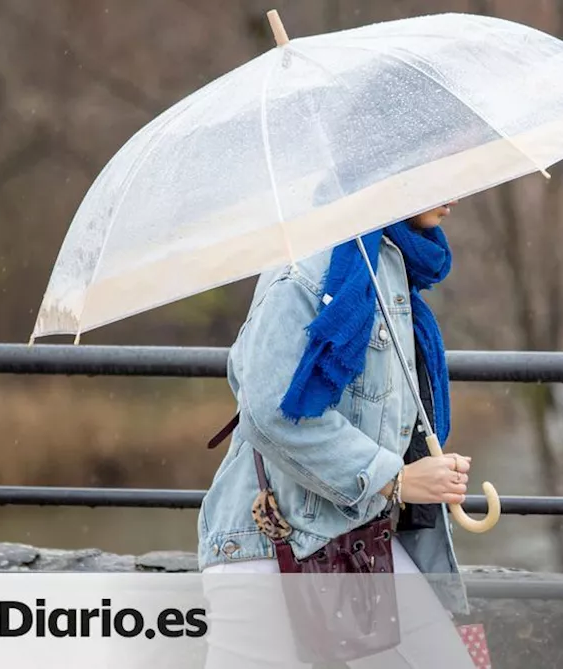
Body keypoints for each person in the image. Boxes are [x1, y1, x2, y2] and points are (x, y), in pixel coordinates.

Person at [196, 201, 478, 668]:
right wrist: (397, 480)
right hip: (268, 543)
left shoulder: (384, 261)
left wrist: (413, 471)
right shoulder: (310, 262)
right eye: (437, 169)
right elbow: (268, 411)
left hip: (355, 539)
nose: (455, 193)